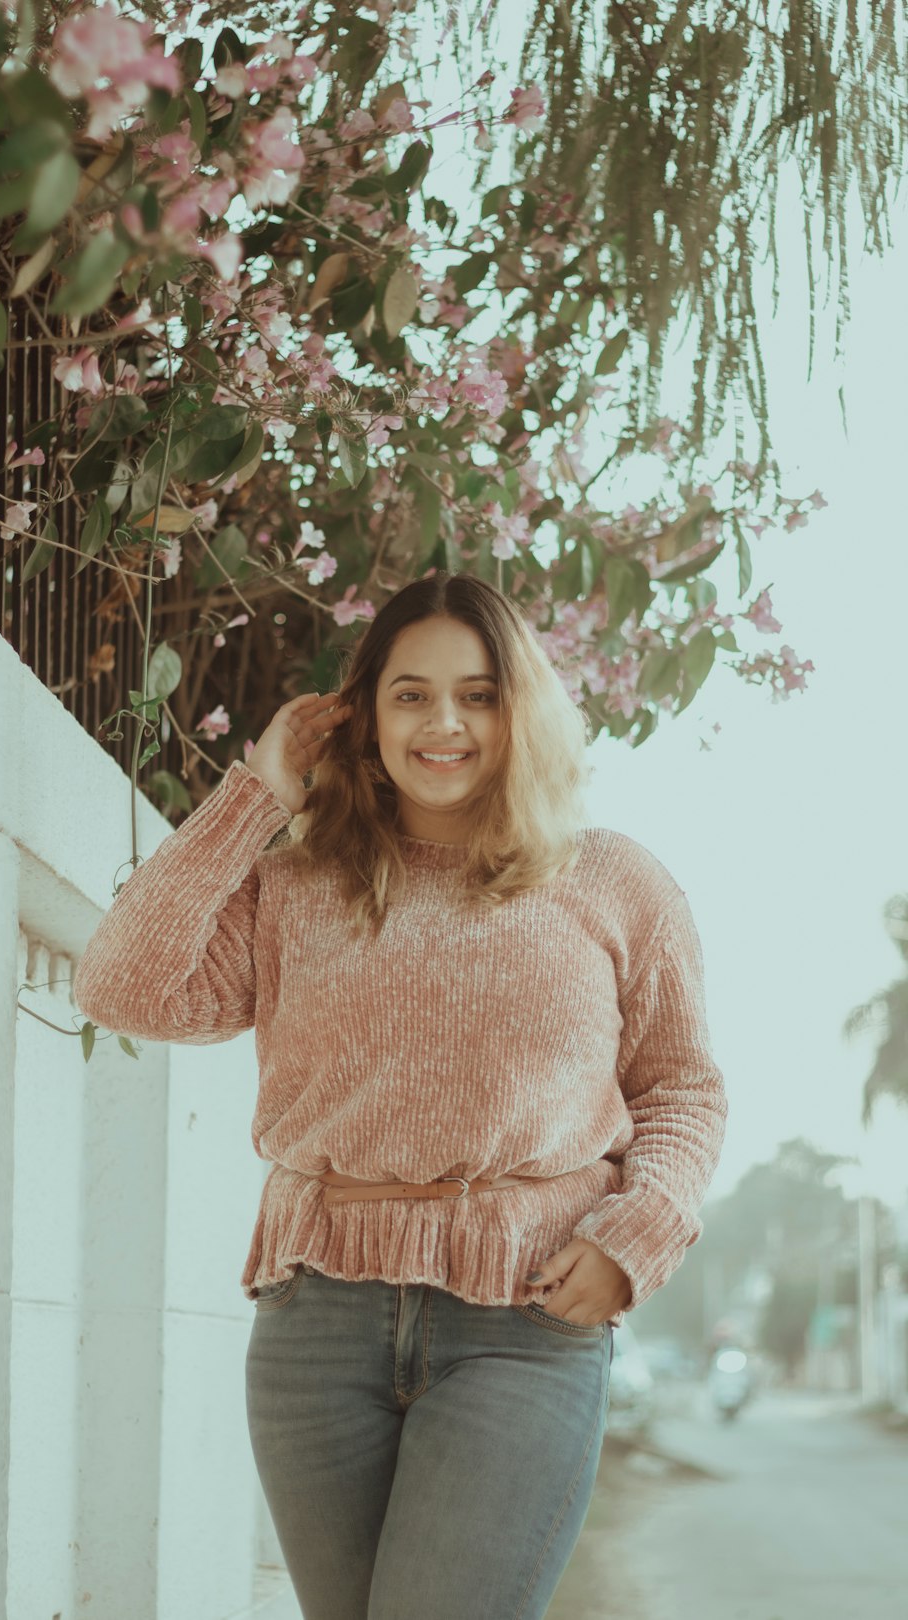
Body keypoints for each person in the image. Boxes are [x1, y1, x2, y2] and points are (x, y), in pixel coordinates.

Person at [72, 570, 728, 1619]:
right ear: (362, 714)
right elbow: (121, 986)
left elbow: (682, 1086)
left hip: (527, 1316)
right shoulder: (299, 882)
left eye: (478, 693)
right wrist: (256, 796)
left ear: (522, 711)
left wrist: (637, 1231)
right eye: (411, 693)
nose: (445, 724)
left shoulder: (611, 880)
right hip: (315, 1324)